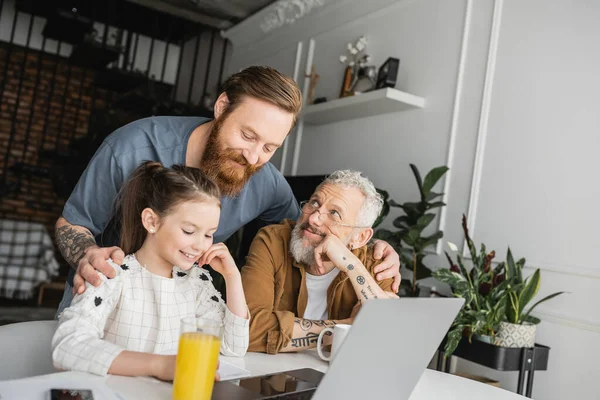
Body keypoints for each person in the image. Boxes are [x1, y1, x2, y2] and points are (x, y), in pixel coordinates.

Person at [54, 66, 401, 317]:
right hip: (96, 307)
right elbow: (72, 224)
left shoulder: (266, 181)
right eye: (248, 136)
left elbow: (312, 230)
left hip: (178, 320)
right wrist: (87, 256)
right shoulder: (131, 146)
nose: (253, 157)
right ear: (221, 108)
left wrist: (372, 249)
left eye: (269, 147)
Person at [52, 162, 249, 379]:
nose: (200, 245)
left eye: (209, 234)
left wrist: (232, 277)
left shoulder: (196, 283)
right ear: (151, 221)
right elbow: (67, 346)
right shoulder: (112, 274)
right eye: (189, 231)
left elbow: (233, 347)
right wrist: (158, 366)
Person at [241, 170, 397, 354]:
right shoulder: (273, 241)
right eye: (314, 203)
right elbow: (245, 331)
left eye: (334, 213)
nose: (314, 218)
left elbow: (384, 342)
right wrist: (346, 327)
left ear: (361, 237)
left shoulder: (376, 266)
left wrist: (351, 265)